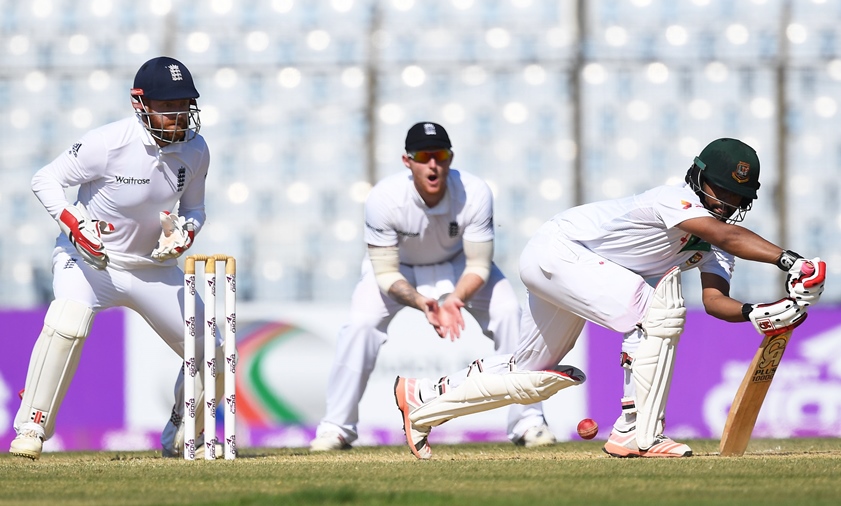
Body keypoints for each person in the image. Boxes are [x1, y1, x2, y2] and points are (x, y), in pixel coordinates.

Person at [393, 138, 827, 460]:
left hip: (579, 274)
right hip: (560, 251)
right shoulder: (673, 198)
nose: (727, 203)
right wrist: (790, 261)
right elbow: (727, 234)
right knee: (655, 312)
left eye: (737, 199)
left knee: (529, 376)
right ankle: (637, 431)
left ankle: (423, 400)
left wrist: (760, 313)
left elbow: (716, 302)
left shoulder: (719, 241)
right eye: (721, 191)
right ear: (697, 178)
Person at [9, 56, 225, 459]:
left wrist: (184, 236)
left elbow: (195, 211)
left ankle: (182, 428)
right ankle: (33, 427)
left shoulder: (196, 151)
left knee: (213, 352)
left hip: (153, 268)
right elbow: (45, 179)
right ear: (139, 103)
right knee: (66, 322)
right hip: (91, 262)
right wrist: (75, 223)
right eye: (167, 106)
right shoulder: (107, 143)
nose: (178, 115)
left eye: (184, 104)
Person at [310, 122, 555, 451]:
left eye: (440, 155)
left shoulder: (475, 192)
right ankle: (337, 427)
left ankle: (528, 422)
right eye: (424, 157)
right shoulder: (384, 198)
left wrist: (454, 298)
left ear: (450, 158)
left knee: (509, 312)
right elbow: (384, 272)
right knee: (360, 326)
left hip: (459, 267)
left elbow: (479, 265)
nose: (433, 165)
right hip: (400, 272)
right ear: (407, 160)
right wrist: (422, 302)